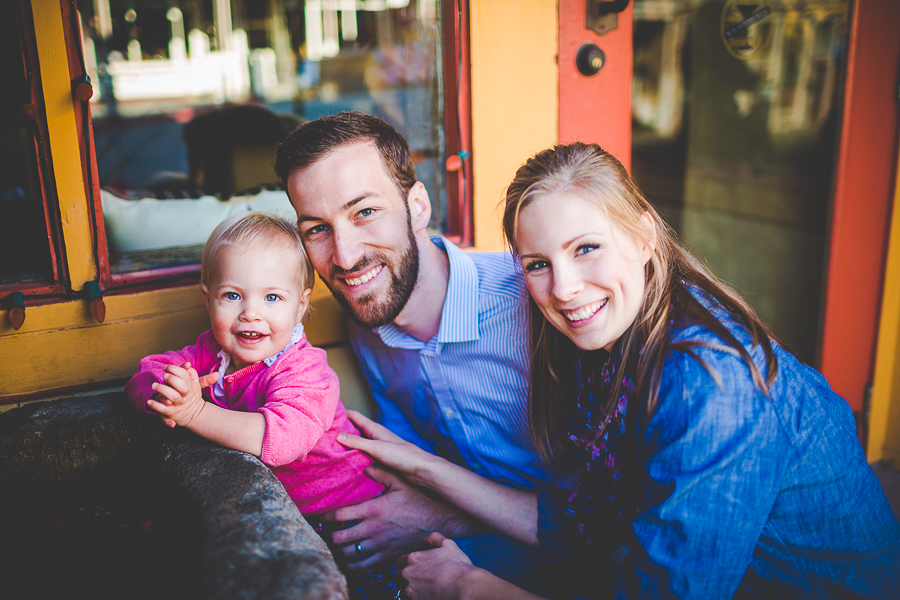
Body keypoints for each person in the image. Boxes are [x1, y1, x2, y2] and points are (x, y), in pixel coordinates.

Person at [336, 142, 900, 599]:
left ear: (645, 235)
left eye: (586, 248)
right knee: (397, 574)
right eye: (538, 264)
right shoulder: (610, 348)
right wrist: (427, 472)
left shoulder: (710, 383)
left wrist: (469, 588)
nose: (564, 289)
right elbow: (585, 524)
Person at [273, 112, 569, 593]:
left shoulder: (536, 301)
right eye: (317, 229)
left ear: (417, 206)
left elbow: (612, 510)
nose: (345, 257)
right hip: (494, 546)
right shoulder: (368, 325)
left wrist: (448, 517)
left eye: (365, 212)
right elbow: (413, 463)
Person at [124, 212, 401, 599]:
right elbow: (146, 372)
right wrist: (166, 393)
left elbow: (281, 440)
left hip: (351, 507)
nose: (250, 312)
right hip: (294, 509)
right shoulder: (210, 352)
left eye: (272, 297)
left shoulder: (305, 371)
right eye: (232, 296)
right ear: (208, 299)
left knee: (370, 587)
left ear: (300, 305)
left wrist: (195, 412)